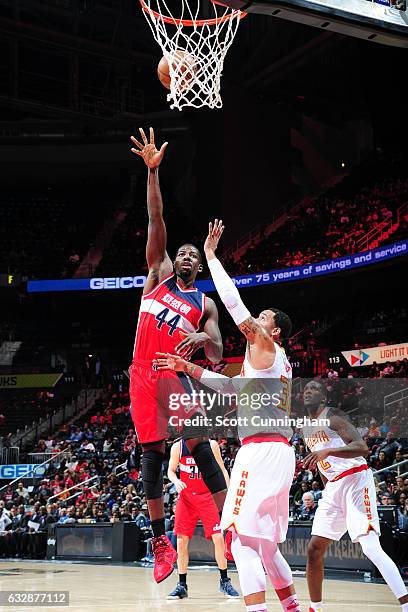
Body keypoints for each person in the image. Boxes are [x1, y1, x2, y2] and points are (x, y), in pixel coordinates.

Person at [155, 220, 301, 612]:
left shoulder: (266, 343)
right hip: (277, 451)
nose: (259, 319)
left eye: (265, 316)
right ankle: (295, 607)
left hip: (263, 451)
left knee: (236, 537)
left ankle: (257, 609)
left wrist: (213, 258)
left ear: (275, 331)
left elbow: (235, 304)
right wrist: (189, 370)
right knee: (264, 545)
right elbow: (231, 387)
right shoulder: (270, 366)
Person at [129, 128, 226, 584]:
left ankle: (230, 521)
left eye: (192, 255)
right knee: (150, 456)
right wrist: (153, 173)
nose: (186, 256)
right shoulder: (157, 275)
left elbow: (220, 349)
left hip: (174, 377)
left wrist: (201, 344)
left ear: (199, 265)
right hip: (141, 374)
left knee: (199, 444)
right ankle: (160, 543)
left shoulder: (204, 304)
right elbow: (156, 217)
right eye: (181, 252)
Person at [302, 380, 408, 612]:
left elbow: (362, 448)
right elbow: (321, 465)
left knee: (370, 547)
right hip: (333, 487)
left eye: (314, 389)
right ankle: (315, 608)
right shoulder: (305, 428)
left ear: (323, 398)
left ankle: (406, 603)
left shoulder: (333, 418)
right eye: (306, 389)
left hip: (356, 478)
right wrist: (326, 486)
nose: (308, 392)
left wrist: (330, 450)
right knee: (314, 549)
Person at [166, 438, 239, 600]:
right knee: (181, 540)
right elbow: (170, 470)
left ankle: (224, 581)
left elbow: (222, 470)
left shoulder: (211, 445)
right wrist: (176, 481)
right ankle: (182, 585)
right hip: (186, 499)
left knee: (218, 538)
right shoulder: (178, 447)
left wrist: (226, 495)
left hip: (208, 497)